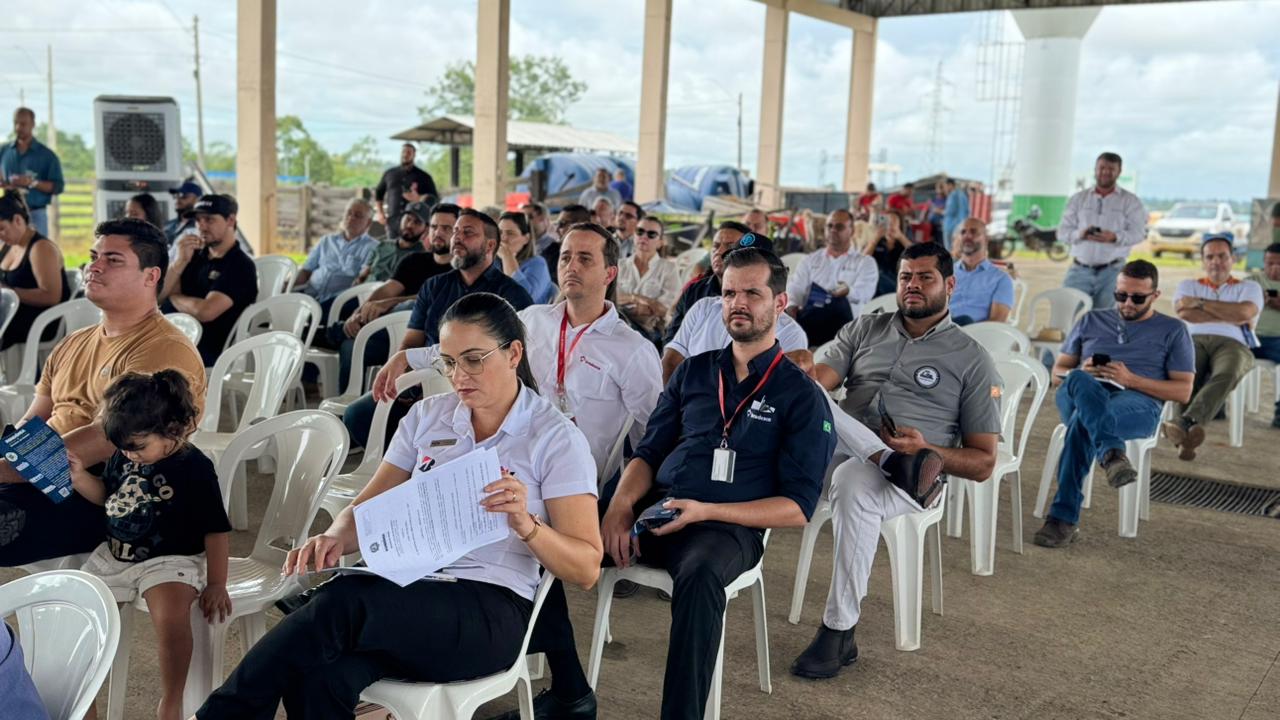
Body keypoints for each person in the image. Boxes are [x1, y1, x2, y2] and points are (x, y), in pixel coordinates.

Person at [195, 293, 603, 720]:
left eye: (473, 359)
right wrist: (333, 536)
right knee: (317, 675)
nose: (459, 375)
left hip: (489, 610)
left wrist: (527, 524)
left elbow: (586, 568)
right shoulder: (429, 416)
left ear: (513, 352)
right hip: (408, 590)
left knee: (342, 603)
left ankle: (223, 714)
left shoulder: (554, 437)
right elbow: (365, 507)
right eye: (447, 362)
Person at [519, 246, 836, 719]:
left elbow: (797, 507)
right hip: (657, 509)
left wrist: (706, 511)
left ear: (780, 304)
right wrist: (620, 506)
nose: (738, 303)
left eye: (752, 292)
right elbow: (648, 452)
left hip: (725, 527)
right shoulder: (696, 370)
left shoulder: (801, 395)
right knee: (541, 541)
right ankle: (567, 688)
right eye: (729, 293)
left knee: (701, 576)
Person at [790, 241, 1001, 680]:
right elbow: (818, 388)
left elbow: (983, 464)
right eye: (906, 277)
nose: (912, 286)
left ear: (950, 285)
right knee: (802, 393)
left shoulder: (972, 359)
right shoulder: (865, 329)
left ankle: (839, 630)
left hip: (916, 475)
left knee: (853, 481)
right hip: (840, 448)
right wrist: (802, 369)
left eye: (925, 277)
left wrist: (928, 452)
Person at [378, 223, 662, 481]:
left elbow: (651, 436)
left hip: (571, 474)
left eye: (585, 259)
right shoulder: (532, 320)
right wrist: (405, 357)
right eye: (565, 257)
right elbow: (469, 350)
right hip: (506, 456)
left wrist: (625, 504)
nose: (571, 266)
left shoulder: (632, 350)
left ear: (609, 274)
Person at [0, 218, 205, 567]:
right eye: (95, 256)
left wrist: (10, 468)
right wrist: (8, 460)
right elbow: (31, 423)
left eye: (113, 260)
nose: (93, 266)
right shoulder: (73, 342)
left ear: (150, 276)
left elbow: (97, 444)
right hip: (42, 477)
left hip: (106, 496)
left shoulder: (162, 352)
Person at [73, 370, 230, 720]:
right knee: (81, 613)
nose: (129, 455)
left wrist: (217, 583)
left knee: (171, 617)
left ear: (172, 430)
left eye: (138, 447)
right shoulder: (123, 456)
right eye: (123, 447)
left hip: (171, 558)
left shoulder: (194, 467)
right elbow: (106, 498)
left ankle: (171, 701)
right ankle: (85, 706)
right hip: (115, 556)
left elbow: (217, 530)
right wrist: (80, 477)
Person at [341, 209, 534, 448]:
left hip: (477, 394)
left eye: (468, 233)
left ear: (489, 245)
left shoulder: (511, 294)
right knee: (357, 416)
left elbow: (514, 363)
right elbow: (411, 341)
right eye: (456, 232)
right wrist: (407, 383)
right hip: (421, 383)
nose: (457, 238)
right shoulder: (434, 285)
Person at [1034, 260, 1194, 548]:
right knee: (1080, 381)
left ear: (1155, 295)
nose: (1127, 303)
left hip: (1138, 401)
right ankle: (1111, 454)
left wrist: (1131, 379)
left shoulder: (1173, 329)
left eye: (1137, 297)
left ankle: (1063, 518)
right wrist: (1084, 370)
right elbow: (1059, 373)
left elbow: (1183, 391)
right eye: (1121, 295)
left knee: (1083, 423)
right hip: (1084, 392)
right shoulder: (1090, 320)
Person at [316, 202, 457, 388]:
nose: (438, 232)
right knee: (350, 346)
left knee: (407, 307)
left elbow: (433, 299)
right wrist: (357, 314)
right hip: (387, 335)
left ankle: (332, 333)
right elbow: (386, 289)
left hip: (424, 343)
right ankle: (347, 407)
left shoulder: (459, 269)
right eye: (434, 227)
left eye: (446, 228)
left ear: (458, 232)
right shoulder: (414, 261)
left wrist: (388, 303)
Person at [1163, 234, 1262, 460]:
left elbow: (1244, 313)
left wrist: (1200, 304)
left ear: (1233, 258)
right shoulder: (1188, 285)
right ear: (1203, 261)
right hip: (1193, 339)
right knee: (1187, 373)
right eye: (1210, 257)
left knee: (1227, 372)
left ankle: (1184, 422)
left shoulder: (1250, 287)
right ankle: (1187, 440)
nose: (1216, 262)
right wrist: (1229, 312)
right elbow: (1184, 313)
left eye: (1222, 256)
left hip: (1234, 343)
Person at [159, 194, 258, 367]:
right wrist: (180, 262)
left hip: (205, 350)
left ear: (230, 220)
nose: (201, 226)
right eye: (198, 220)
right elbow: (158, 296)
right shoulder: (193, 255)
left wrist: (174, 297)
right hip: (172, 337)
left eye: (209, 220)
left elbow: (206, 312)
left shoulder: (240, 265)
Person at [1056, 152, 1148, 310]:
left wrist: (1115, 237)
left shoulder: (1130, 201)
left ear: (1119, 172)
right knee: (1066, 314)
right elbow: (1062, 233)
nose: (1106, 172)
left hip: (1112, 272)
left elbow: (1139, 233)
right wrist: (1081, 234)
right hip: (1079, 270)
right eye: (1102, 167)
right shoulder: (1078, 199)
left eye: (1111, 168)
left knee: (1104, 320)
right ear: (1095, 169)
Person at [785, 208, 879, 345]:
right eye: (830, 226)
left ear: (851, 231)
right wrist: (792, 306)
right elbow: (795, 289)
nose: (833, 230)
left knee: (839, 304)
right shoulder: (810, 260)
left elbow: (865, 293)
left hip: (846, 328)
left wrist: (848, 291)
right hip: (811, 322)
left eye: (839, 226)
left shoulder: (865, 262)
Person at [663, 221, 753, 345]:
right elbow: (672, 338)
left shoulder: (757, 297)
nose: (719, 251)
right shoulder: (694, 290)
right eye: (715, 246)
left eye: (730, 246)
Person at [0, 192, 69, 350]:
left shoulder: (41, 248)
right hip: (13, 314)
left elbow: (51, 296)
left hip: (40, 320)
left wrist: (10, 292)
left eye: (2, 229)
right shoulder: (8, 246)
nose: (0, 236)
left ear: (18, 220)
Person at [293, 197, 377, 315]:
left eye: (358, 215)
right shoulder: (327, 240)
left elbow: (362, 282)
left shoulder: (373, 248)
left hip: (338, 303)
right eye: (349, 213)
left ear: (368, 223)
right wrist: (288, 285)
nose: (351, 218)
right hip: (310, 294)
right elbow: (307, 270)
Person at [617, 215, 683, 341]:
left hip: (651, 333)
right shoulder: (620, 265)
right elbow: (610, 298)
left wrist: (628, 302)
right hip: (619, 325)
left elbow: (666, 310)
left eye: (651, 234)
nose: (644, 237)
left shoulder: (669, 269)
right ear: (634, 235)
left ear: (660, 242)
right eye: (640, 231)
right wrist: (638, 300)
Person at [0, 108, 64, 236]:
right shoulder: (4, 151)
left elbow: (58, 187)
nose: (18, 127)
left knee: (36, 252)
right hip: (7, 215)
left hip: (36, 215)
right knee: (7, 254)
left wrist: (32, 183)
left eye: (23, 124)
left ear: (33, 124)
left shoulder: (47, 156)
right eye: (15, 123)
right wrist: (4, 184)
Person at [949, 218, 1015, 325]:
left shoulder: (1000, 279)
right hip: (941, 334)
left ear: (986, 239)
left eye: (973, 232)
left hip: (978, 336)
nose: (967, 236)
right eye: (963, 232)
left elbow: (997, 322)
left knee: (965, 321)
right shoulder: (946, 273)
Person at [357, 200, 431, 285]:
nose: (410, 225)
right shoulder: (382, 245)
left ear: (426, 228)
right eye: (408, 219)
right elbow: (363, 275)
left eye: (417, 222)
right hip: (362, 291)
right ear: (400, 220)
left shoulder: (423, 257)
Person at [374, 143, 437, 240]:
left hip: (414, 223)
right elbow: (379, 193)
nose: (405, 154)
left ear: (414, 155)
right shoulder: (389, 173)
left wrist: (419, 198)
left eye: (408, 152)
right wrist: (380, 213)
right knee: (393, 249)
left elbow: (434, 199)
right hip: (393, 222)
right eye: (403, 152)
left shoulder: (424, 176)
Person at [1248, 242, 1280, 427]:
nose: (1274, 268)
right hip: (1250, 337)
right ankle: (1215, 405)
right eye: (1270, 263)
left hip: (1277, 339)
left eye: (1279, 264)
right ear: (1263, 262)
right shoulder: (1251, 282)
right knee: (1216, 351)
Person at [496, 211, 555, 303]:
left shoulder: (538, 263)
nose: (503, 238)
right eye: (500, 233)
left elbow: (524, 299)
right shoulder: (495, 263)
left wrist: (507, 257)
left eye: (510, 233)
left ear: (526, 238)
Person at [865, 210, 910, 296]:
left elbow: (918, 255)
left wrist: (900, 237)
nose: (889, 226)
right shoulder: (876, 242)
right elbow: (862, 259)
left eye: (893, 223)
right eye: (887, 222)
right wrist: (876, 238)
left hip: (897, 280)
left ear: (899, 225)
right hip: (877, 282)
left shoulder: (903, 242)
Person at [541, 204, 591, 281]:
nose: (557, 229)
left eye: (562, 224)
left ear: (581, 225)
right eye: (557, 224)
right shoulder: (552, 252)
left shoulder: (598, 253)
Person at [164, 180, 202, 245]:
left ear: (197, 199)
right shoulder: (168, 225)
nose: (178, 199)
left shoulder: (200, 226)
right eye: (176, 195)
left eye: (183, 196)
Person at [941, 178, 970, 251]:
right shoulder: (963, 195)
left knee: (950, 250)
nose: (944, 189)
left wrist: (939, 211)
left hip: (951, 227)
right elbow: (967, 211)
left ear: (950, 185)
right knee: (959, 249)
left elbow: (950, 211)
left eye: (945, 186)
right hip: (961, 226)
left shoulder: (953, 195)